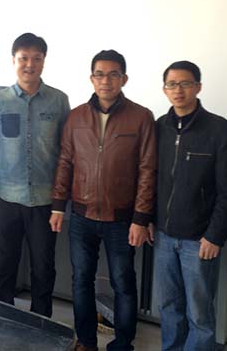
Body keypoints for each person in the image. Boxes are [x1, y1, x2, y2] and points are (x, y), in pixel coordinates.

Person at [51, 49, 156, 351]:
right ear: (91, 78)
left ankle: (122, 344)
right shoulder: (76, 117)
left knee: (123, 283)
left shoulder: (141, 117)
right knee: (81, 280)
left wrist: (141, 217)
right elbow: (65, 162)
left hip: (121, 219)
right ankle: (86, 341)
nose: (106, 81)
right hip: (81, 216)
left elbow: (148, 169)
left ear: (124, 79)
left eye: (113, 75)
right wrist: (58, 205)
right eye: (100, 74)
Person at [151, 61, 227, 350]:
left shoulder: (219, 129)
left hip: (199, 240)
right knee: (168, 306)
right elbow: (151, 177)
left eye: (185, 83)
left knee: (199, 312)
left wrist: (215, 236)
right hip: (163, 236)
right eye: (172, 84)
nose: (178, 90)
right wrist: (148, 218)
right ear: (164, 89)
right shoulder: (159, 127)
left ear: (198, 87)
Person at [0, 32, 70, 317]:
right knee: (2, 264)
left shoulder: (58, 101)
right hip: (7, 197)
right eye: (23, 58)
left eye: (36, 58)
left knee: (43, 267)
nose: (29, 65)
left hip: (45, 200)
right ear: (14, 61)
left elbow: (65, 148)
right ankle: (3, 319)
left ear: (44, 61)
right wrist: (12, 172)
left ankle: (40, 322)